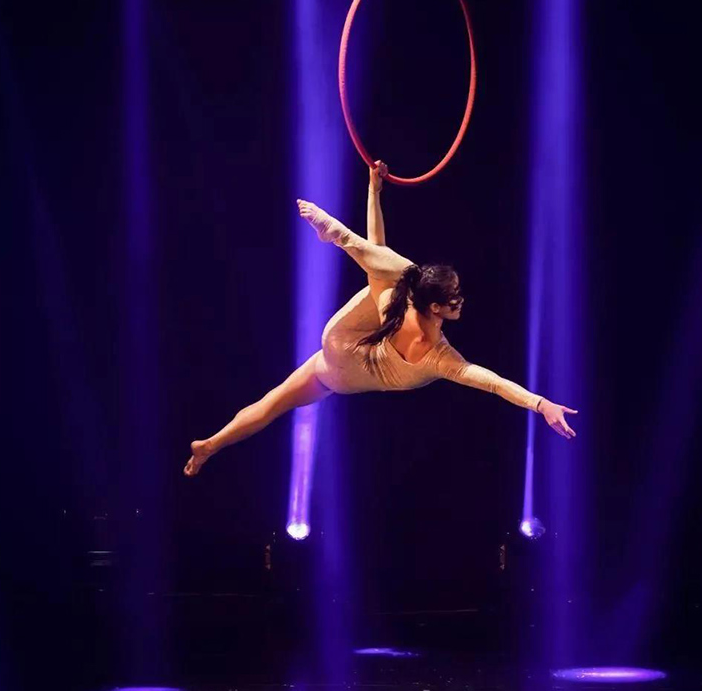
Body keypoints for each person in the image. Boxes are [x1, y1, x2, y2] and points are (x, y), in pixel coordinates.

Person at [183, 163, 577, 477]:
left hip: (335, 355)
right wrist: (541, 404)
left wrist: (374, 191)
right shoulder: (441, 357)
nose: (462, 300)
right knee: (400, 272)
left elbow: (378, 251)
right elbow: (491, 382)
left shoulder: (396, 302)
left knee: (399, 272)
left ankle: (209, 445)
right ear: (436, 308)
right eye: (454, 296)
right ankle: (339, 235)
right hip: (343, 370)